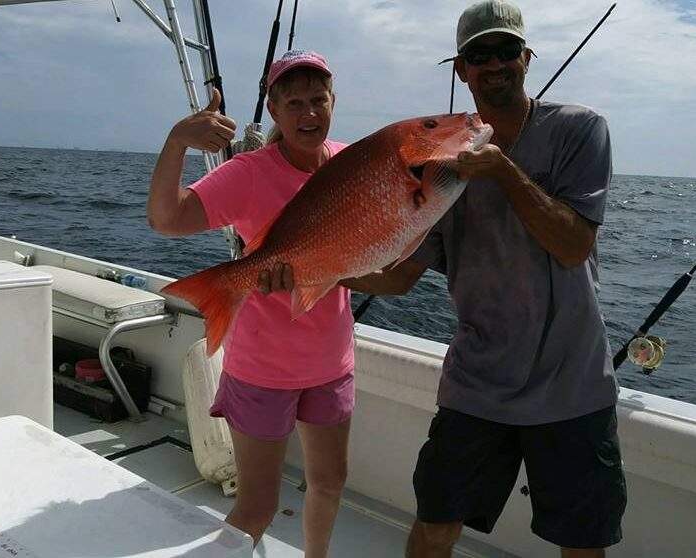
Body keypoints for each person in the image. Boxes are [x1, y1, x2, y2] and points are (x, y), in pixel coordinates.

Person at [259, 2, 626, 556]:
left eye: (506, 51)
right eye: (479, 55)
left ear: (527, 58)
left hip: (573, 385)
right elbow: (401, 275)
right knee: (435, 526)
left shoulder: (579, 130)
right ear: (461, 69)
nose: (494, 64)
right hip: (477, 384)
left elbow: (574, 246)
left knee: (581, 542)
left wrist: (503, 170)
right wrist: (318, 272)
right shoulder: (441, 163)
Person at [146, 50, 354, 557]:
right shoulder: (249, 173)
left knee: (329, 483)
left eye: (319, 101)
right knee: (258, 505)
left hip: (331, 362)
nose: (309, 114)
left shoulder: (350, 165)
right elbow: (166, 218)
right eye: (295, 103)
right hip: (263, 368)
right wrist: (177, 141)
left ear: (334, 102)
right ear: (275, 109)